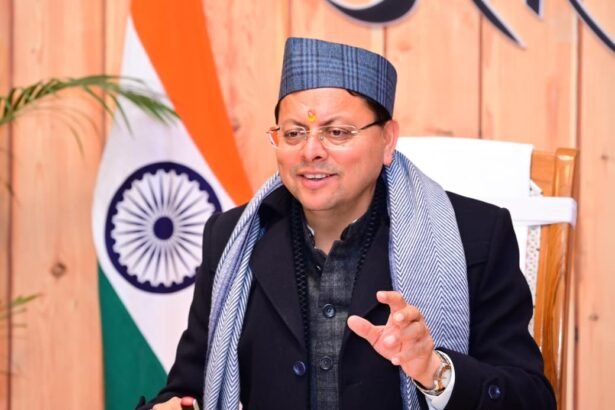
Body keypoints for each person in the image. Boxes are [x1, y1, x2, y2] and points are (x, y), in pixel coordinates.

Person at [137, 37, 555, 410]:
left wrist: (435, 370)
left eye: (337, 132)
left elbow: (531, 399)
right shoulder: (233, 238)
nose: (311, 151)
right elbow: (186, 389)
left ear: (388, 140)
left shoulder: (474, 235)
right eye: (294, 133)